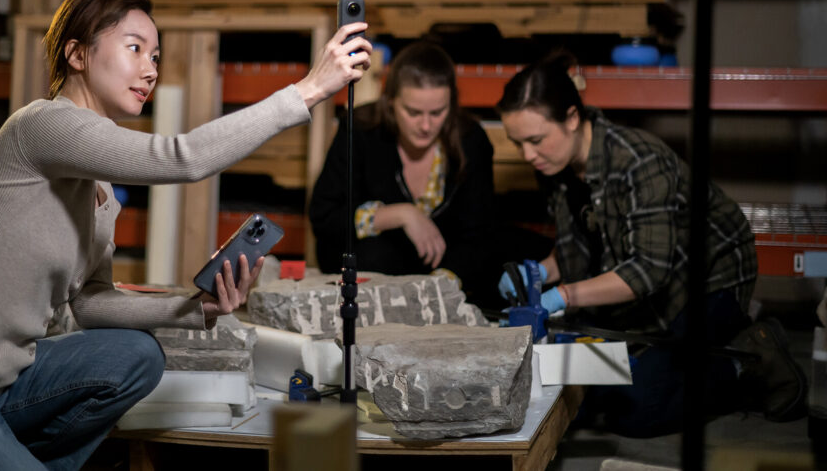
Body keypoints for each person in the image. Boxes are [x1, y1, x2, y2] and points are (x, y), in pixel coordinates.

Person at [0, 0, 371, 470]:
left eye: (154, 57)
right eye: (134, 48)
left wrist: (193, 308)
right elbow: (183, 157)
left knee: (135, 355)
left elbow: (90, 303)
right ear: (77, 55)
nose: (149, 70)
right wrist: (307, 90)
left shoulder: (99, 194)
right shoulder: (41, 126)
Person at [496, 52, 807, 436]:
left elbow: (647, 272)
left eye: (535, 140)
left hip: (709, 280)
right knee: (586, 384)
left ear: (573, 118)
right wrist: (541, 271)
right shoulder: (555, 165)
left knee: (639, 409)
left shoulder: (639, 161)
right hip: (641, 277)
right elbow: (582, 239)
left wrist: (563, 294)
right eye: (517, 143)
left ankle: (746, 361)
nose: (528, 155)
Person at [310, 40, 523, 309]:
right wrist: (399, 215)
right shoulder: (360, 131)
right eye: (413, 112)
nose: (425, 125)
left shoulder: (471, 140)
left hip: (445, 272)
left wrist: (442, 285)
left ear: (452, 104)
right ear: (390, 103)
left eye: (437, 113)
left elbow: (479, 232)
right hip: (374, 274)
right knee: (374, 254)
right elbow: (324, 218)